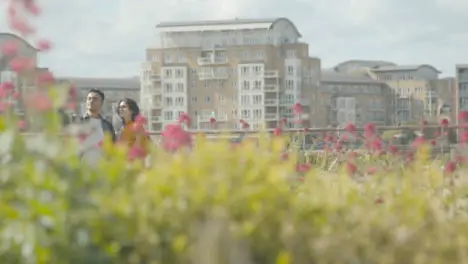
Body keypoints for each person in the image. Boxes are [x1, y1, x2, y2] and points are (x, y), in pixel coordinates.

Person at [79, 89, 116, 165]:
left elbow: (112, 147)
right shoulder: (78, 122)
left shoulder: (107, 125)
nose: (91, 101)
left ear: (101, 103)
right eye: (89, 99)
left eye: (95, 99)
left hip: (102, 170)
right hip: (82, 170)